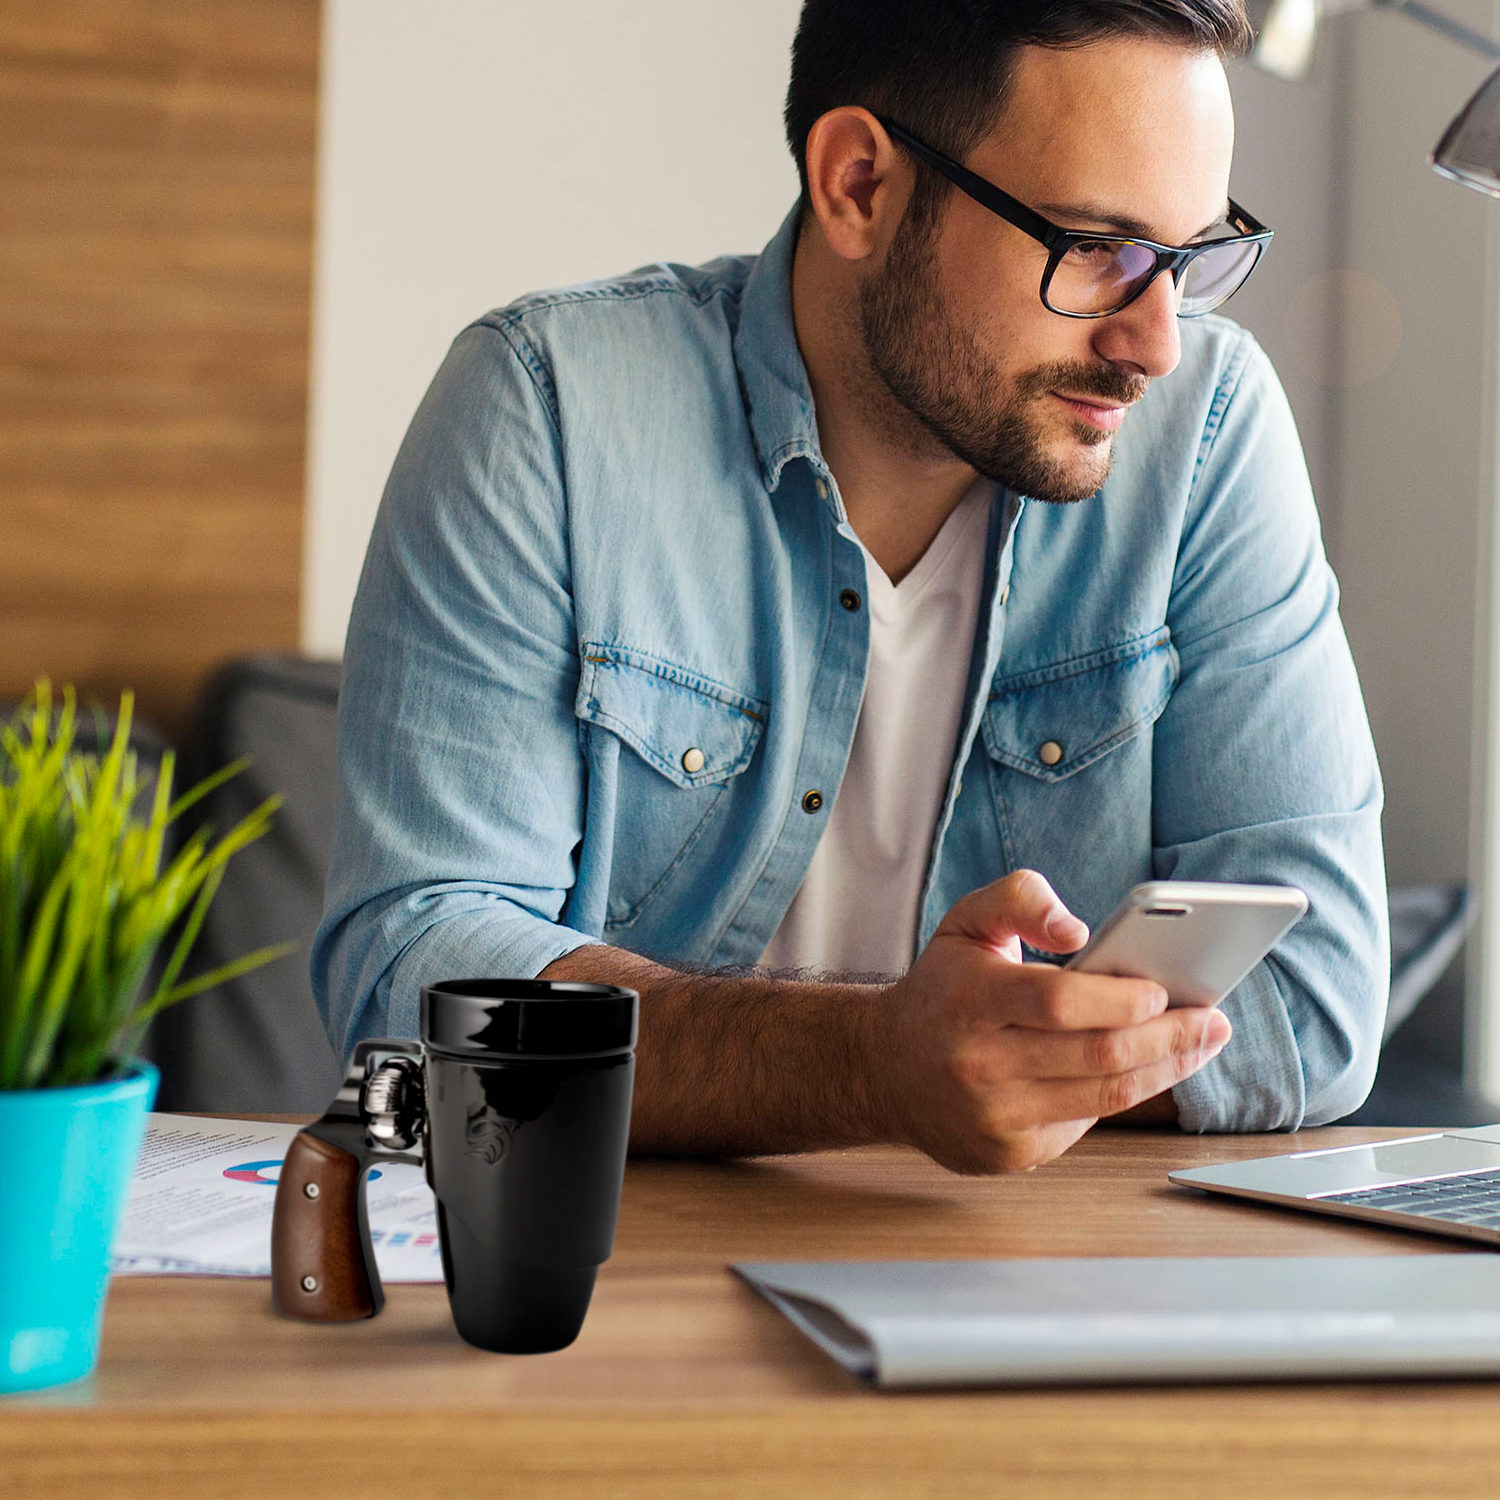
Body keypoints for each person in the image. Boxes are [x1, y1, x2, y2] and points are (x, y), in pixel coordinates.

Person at [312, 0, 1387, 1175]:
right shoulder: (548, 414)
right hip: (617, 1283)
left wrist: (969, 1068)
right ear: (860, 184)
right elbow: (413, 974)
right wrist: (875, 1064)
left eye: (1191, 259)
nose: (1157, 344)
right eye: (1096, 249)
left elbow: (1317, 998)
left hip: (1041, 1281)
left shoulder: (1209, 436)